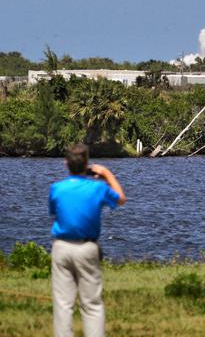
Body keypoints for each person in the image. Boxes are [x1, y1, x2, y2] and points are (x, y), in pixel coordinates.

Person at [49, 144, 126, 337]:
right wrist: (107, 175)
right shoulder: (98, 187)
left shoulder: (56, 188)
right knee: (92, 304)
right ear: (87, 165)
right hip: (87, 247)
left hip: (61, 247)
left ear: (66, 164)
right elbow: (121, 199)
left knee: (63, 304)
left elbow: (55, 212)